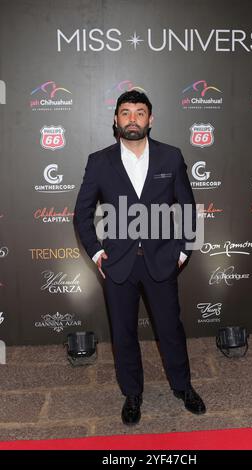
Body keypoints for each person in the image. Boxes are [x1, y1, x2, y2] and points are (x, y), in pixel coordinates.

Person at [74, 90, 206, 425]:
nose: (133, 119)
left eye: (140, 112)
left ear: (151, 119)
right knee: (123, 333)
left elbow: (188, 209)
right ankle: (132, 394)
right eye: (126, 113)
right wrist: (98, 253)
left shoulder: (171, 157)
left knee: (170, 329)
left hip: (162, 260)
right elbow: (82, 214)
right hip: (118, 264)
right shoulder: (99, 161)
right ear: (116, 119)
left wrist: (183, 251)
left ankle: (183, 387)